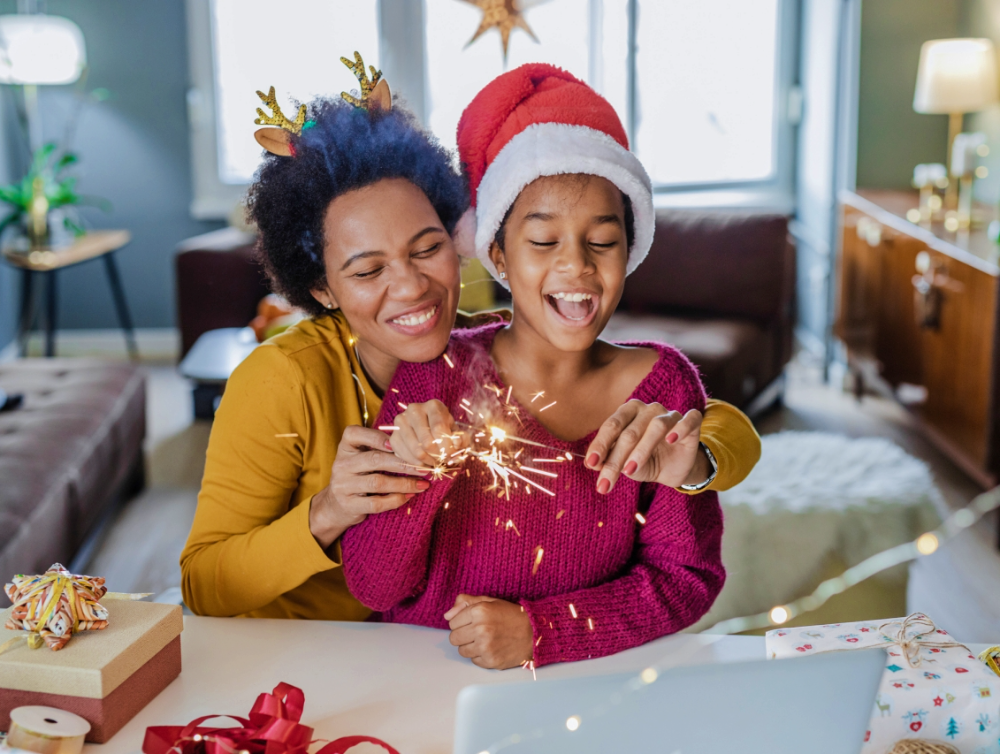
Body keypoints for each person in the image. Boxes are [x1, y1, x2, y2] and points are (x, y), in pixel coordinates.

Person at [179, 56, 758, 622]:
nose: (411, 288)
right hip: (302, 653)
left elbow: (692, 415)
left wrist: (705, 454)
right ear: (321, 288)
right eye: (367, 270)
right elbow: (205, 583)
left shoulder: (465, 351)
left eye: (427, 248)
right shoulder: (283, 380)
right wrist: (329, 512)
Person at [342, 63, 724, 669]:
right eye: (543, 242)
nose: (576, 267)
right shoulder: (436, 374)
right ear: (497, 252)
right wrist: (417, 476)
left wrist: (543, 633)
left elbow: (686, 580)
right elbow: (373, 585)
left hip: (593, 690)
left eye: (602, 241)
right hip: (427, 682)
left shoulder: (664, 389)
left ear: (632, 248)